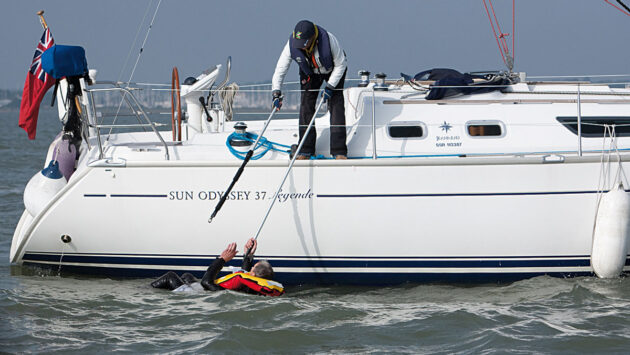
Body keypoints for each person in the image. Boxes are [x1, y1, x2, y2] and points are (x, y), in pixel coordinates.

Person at [271, 20, 348, 160]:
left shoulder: (330, 40)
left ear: (313, 38)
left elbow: (341, 65)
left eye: (304, 45)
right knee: (306, 105)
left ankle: (339, 151)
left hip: (333, 71)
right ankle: (306, 150)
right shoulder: (291, 45)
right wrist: (276, 93)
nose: (301, 48)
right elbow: (280, 69)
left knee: (336, 105)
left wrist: (330, 87)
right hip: (310, 73)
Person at [151, 238, 284, 296]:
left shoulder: (232, 290)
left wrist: (222, 259)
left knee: (171, 276)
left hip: (196, 294)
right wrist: (248, 254)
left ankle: (146, 290)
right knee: (187, 276)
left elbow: (206, 282)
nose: (250, 270)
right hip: (199, 288)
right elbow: (246, 272)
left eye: (253, 267)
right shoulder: (250, 285)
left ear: (254, 275)